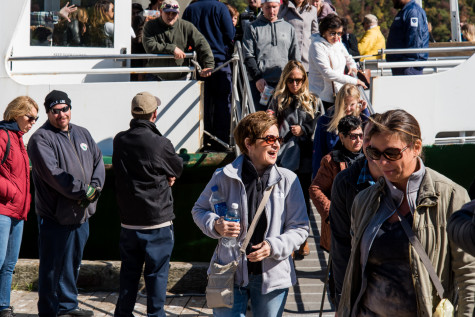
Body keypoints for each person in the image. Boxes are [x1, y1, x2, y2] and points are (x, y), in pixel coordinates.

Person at [338, 109, 475, 316]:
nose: (382, 162)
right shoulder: (364, 200)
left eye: (392, 153)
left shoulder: (451, 197)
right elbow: (355, 268)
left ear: (416, 147)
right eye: (374, 153)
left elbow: (468, 275)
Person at [192, 111, 309, 317]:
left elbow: (300, 228)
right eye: (270, 139)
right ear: (249, 143)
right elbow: (199, 210)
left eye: (278, 139)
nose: (276, 144)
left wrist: (273, 246)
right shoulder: (223, 176)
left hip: (272, 276)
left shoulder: (289, 180)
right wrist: (215, 224)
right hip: (229, 272)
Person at [28, 90, 105, 317]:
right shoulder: (40, 139)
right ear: (48, 112)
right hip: (55, 216)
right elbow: (54, 174)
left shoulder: (83, 133)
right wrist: (83, 191)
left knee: (72, 264)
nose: (61, 114)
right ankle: (50, 311)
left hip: (81, 213)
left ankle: (68, 306)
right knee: (52, 268)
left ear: (70, 109)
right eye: (55, 110)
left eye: (65, 109)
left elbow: (98, 162)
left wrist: (95, 189)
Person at [113, 92, 183, 317]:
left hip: (129, 222)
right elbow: (177, 168)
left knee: (129, 274)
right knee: (157, 275)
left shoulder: (120, 140)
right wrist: (168, 176)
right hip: (157, 222)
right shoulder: (161, 143)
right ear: (155, 114)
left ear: (133, 113)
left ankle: (123, 314)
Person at [267, 60, 321, 256]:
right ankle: (286, 240)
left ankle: (302, 239)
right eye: (290, 80)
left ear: (304, 80)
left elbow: (319, 127)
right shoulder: (277, 99)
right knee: (283, 199)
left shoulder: (313, 100)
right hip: (283, 156)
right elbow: (268, 123)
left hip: (305, 157)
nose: (295, 84)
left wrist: (304, 130)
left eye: (299, 80)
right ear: (285, 80)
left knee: (303, 200)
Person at [329, 115, 383, 307]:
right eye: (361, 137)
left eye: (363, 137)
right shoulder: (344, 179)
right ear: (342, 138)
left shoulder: (409, 182)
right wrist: (344, 293)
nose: (362, 142)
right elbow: (341, 245)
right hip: (359, 281)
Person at [0, 97, 39, 317]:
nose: (33, 122)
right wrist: (11, 191)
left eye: (36, 118)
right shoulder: (3, 136)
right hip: (3, 210)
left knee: (9, 264)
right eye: (30, 117)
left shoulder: (18, 140)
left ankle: (3, 305)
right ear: (16, 114)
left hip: (18, 212)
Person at [182, 0, 236, 150]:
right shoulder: (220, 7)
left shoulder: (190, 9)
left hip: (197, 63)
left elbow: (184, 34)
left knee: (201, 104)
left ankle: (202, 141)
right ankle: (220, 142)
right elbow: (230, 33)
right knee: (222, 104)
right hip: (220, 63)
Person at [309, 115, 363, 253]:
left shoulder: (371, 157)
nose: (359, 140)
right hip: (341, 227)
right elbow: (315, 189)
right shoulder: (331, 161)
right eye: (353, 136)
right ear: (341, 137)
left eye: (361, 136)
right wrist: (331, 213)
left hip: (364, 221)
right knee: (339, 270)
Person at [243, 0, 301, 111]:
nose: (271, 11)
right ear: (262, 7)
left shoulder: (289, 28)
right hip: (261, 84)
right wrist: (257, 78)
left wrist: (296, 79)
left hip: (284, 83)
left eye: (274, 7)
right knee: (262, 120)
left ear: (279, 6)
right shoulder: (252, 27)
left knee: (284, 120)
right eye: (268, 7)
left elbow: (295, 57)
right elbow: (248, 55)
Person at [142, 0, 214, 81]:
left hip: (182, 76)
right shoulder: (150, 26)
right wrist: (172, 49)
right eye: (167, 13)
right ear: (161, 11)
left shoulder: (187, 26)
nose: (170, 16)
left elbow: (202, 44)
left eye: (174, 13)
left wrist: (208, 65)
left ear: (178, 13)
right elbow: (149, 45)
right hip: (156, 75)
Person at [308, 14, 366, 111]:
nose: (336, 37)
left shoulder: (337, 43)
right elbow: (327, 73)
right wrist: (354, 81)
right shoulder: (316, 46)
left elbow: (348, 57)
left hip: (337, 94)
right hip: (320, 96)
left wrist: (352, 66)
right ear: (324, 32)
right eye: (332, 33)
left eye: (339, 33)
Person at [312, 83, 369, 177]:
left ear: (358, 102)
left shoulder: (361, 119)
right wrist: (316, 177)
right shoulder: (326, 120)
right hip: (333, 172)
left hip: (358, 171)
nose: (348, 108)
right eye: (345, 104)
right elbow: (318, 151)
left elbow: (371, 137)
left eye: (352, 104)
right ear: (339, 102)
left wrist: (365, 112)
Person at [386, 0, 429, 75]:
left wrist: (409, 63)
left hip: (408, 67)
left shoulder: (413, 11)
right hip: (402, 65)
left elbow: (415, 38)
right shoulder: (405, 11)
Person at [278, 0, 318, 71]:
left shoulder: (312, 10)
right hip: (289, 55)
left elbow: (315, 33)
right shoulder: (283, 9)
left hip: (306, 56)